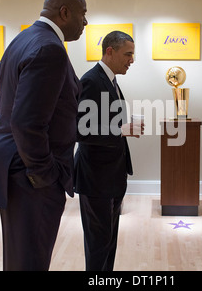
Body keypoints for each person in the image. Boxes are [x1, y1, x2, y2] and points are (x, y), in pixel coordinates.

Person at [0, 0, 88, 271]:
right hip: (30, 177)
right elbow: (25, 122)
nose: (86, 22)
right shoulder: (49, 48)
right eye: (83, 14)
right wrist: (45, 174)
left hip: (13, 168)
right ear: (64, 13)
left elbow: (1, 106)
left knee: (20, 257)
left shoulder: (23, 39)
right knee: (30, 260)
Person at [74, 30, 144, 271]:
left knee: (108, 241)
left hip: (111, 177)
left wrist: (124, 127)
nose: (132, 60)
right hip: (96, 179)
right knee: (98, 243)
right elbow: (80, 130)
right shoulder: (91, 80)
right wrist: (122, 129)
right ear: (110, 51)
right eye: (128, 54)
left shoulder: (111, 80)